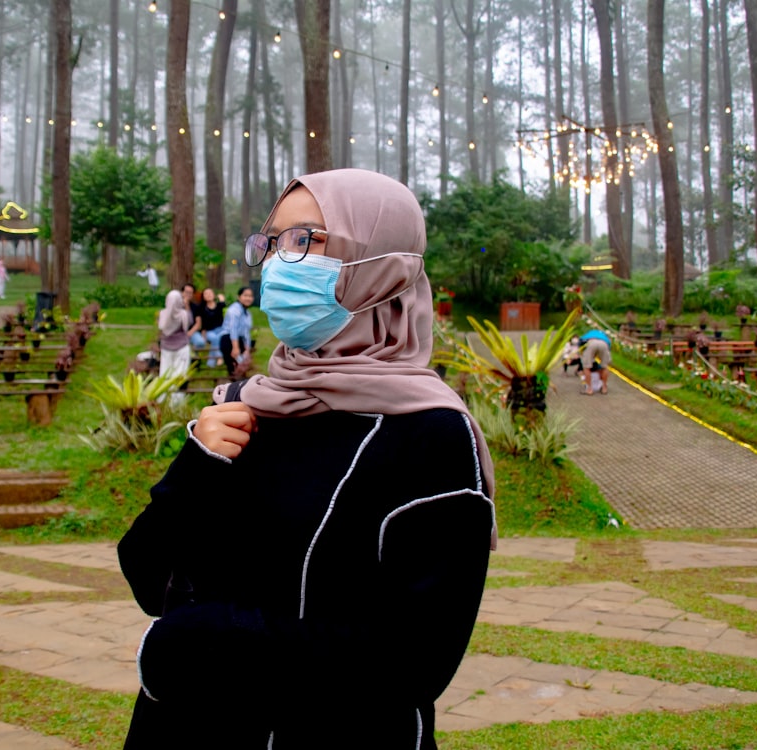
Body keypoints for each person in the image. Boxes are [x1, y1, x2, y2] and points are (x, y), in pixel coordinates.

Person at [117, 168, 496, 749]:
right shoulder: (248, 406)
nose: (276, 264)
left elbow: (415, 660)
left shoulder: (430, 437)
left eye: (306, 241)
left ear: (381, 266)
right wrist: (196, 465)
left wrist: (202, 640)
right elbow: (149, 575)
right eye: (272, 243)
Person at [156, 284, 194, 398]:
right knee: (179, 374)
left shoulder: (162, 314)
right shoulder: (183, 314)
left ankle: (162, 398)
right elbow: (189, 323)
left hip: (166, 347)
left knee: (165, 373)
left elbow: (161, 328)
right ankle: (176, 400)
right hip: (182, 347)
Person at [217, 285, 254, 377]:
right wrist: (235, 348)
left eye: (250, 296)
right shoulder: (234, 310)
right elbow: (233, 329)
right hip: (229, 340)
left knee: (242, 369)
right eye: (245, 295)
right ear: (239, 297)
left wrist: (247, 348)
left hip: (239, 341)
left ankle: (241, 390)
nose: (248, 298)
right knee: (234, 370)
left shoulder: (247, 313)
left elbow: (246, 332)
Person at [190, 287, 226, 366]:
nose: (209, 295)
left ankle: (211, 363)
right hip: (208, 331)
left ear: (214, 295)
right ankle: (219, 357)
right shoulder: (200, 308)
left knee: (220, 337)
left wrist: (221, 299)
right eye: (206, 293)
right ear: (203, 296)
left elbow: (224, 304)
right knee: (214, 338)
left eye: (210, 293)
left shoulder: (219, 306)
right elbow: (201, 323)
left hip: (220, 329)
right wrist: (203, 333)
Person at [579, 329, 612, 394]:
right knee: (605, 366)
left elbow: (580, 345)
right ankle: (604, 388)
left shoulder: (587, 335)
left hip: (591, 343)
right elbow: (609, 347)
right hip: (604, 344)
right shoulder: (604, 336)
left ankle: (589, 389)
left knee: (586, 367)